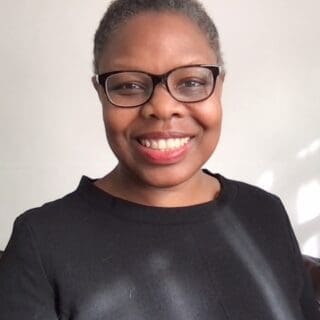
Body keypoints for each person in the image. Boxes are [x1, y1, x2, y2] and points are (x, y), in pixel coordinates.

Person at [0, 0, 319, 319]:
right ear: (100, 92)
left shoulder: (265, 212)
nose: (163, 107)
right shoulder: (41, 241)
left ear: (219, 85)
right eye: (129, 85)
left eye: (191, 82)